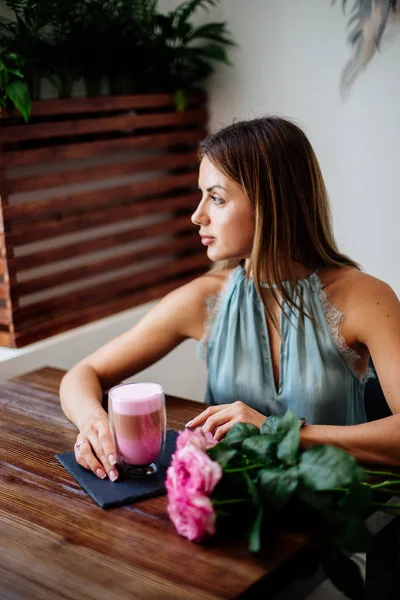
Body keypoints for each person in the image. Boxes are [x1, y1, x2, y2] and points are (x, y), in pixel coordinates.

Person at [59, 116, 400, 482]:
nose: (197, 215)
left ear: (272, 203)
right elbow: (82, 374)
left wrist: (278, 432)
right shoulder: (205, 299)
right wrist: (94, 422)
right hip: (232, 511)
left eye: (216, 198)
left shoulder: (366, 299)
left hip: (339, 518)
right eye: (201, 196)